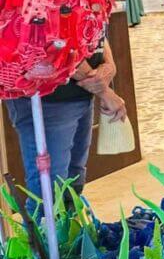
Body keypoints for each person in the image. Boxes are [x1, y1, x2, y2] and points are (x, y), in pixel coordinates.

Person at [4, 41, 127, 200]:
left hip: (80, 93)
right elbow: (52, 41)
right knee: (50, 193)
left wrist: (108, 64)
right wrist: (103, 90)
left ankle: (72, 221)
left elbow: (99, 27)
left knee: (73, 180)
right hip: (47, 99)